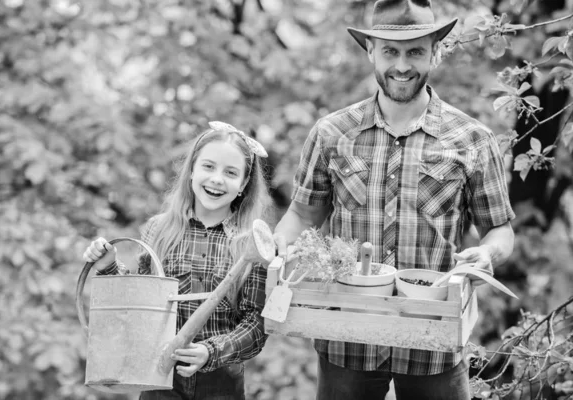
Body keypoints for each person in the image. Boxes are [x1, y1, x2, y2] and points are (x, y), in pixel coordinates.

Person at [273, 0, 515, 399]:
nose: (401, 65)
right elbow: (302, 213)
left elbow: (500, 231)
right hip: (346, 338)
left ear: (435, 52)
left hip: (433, 341)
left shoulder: (472, 139)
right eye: (390, 51)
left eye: (415, 51)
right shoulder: (332, 133)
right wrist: (280, 244)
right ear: (370, 51)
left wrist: (487, 255)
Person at [82, 121, 273, 400]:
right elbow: (139, 306)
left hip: (220, 384)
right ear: (192, 169)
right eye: (208, 166)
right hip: (159, 379)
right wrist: (108, 266)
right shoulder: (158, 230)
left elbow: (255, 325)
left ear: (243, 184)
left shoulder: (252, 243)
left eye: (230, 173)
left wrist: (211, 351)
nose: (217, 179)